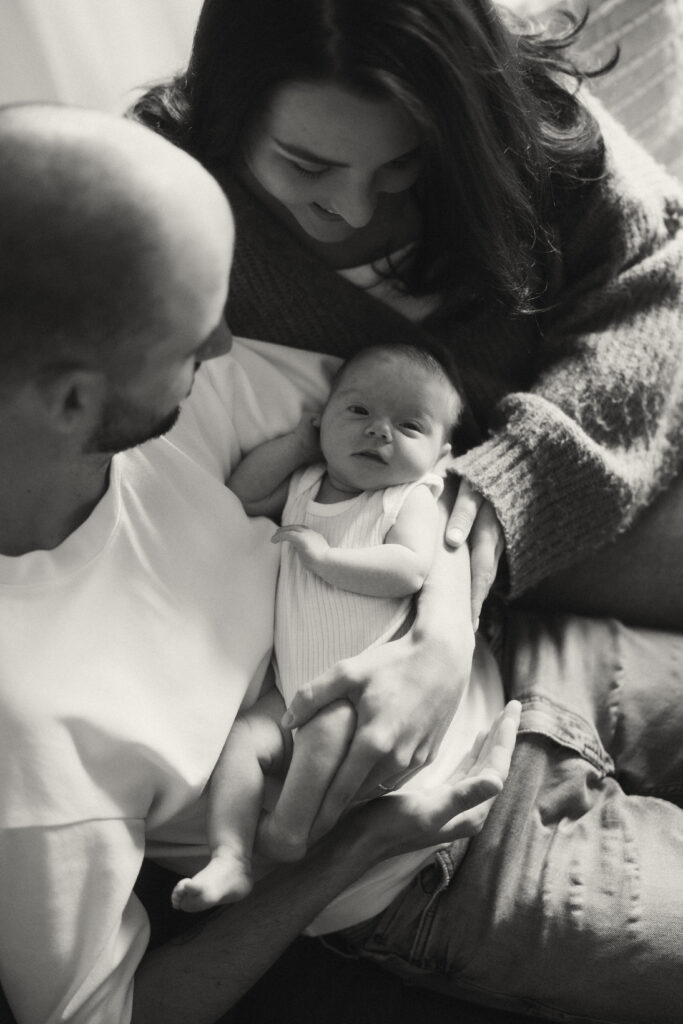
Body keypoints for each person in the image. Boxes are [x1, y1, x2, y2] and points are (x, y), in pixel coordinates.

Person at [129, 1, 683, 1020]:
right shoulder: (166, 200)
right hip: (443, 754)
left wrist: (460, 577)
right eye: (305, 168)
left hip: (549, 487)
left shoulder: (528, 130)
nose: (352, 209)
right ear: (224, 114)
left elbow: (658, 290)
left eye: (401, 170)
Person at [0, 102, 520, 1024]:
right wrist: (353, 852)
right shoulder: (26, 730)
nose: (227, 342)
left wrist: (446, 617)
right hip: (438, 858)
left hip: (517, 671)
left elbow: (423, 435)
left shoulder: (182, 402)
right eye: (194, 332)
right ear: (76, 399)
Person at [172, 343, 504, 915]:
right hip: (291, 685)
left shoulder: (409, 498)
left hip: (356, 688)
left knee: (325, 728)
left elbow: (408, 569)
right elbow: (246, 494)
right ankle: (229, 856)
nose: (379, 432)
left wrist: (325, 559)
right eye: (358, 413)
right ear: (323, 417)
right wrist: (299, 444)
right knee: (243, 743)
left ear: (441, 457)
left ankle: (289, 833)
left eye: (408, 425)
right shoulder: (304, 482)